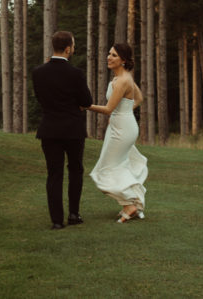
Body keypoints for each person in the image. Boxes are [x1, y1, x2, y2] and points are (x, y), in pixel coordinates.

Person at [31, 30, 93, 229]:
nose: (73, 49)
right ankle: (74, 214)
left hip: (49, 128)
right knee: (75, 170)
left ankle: (57, 220)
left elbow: (40, 99)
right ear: (68, 48)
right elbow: (87, 101)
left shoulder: (38, 72)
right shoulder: (76, 74)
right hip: (73, 129)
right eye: (73, 46)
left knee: (54, 173)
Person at [87, 43, 148, 223]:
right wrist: (125, 113)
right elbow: (139, 98)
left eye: (113, 55)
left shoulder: (122, 80)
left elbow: (108, 109)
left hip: (122, 129)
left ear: (123, 60)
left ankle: (130, 205)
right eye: (109, 53)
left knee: (106, 168)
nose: (108, 57)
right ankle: (129, 204)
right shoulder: (123, 77)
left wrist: (85, 106)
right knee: (118, 166)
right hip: (121, 126)